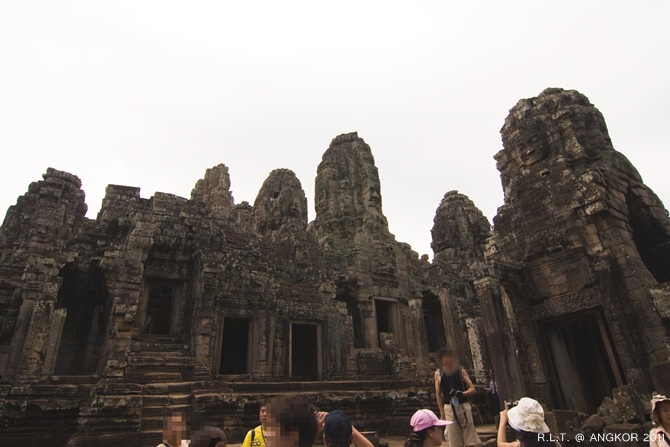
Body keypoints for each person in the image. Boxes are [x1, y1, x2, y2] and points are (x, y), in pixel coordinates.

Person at [434, 348, 480, 447]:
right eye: (446, 357)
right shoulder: (438, 374)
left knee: (470, 440)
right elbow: (438, 394)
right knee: (454, 441)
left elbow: (472, 388)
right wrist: (442, 413)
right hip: (449, 407)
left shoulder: (460, 371)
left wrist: (464, 393)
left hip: (463, 405)